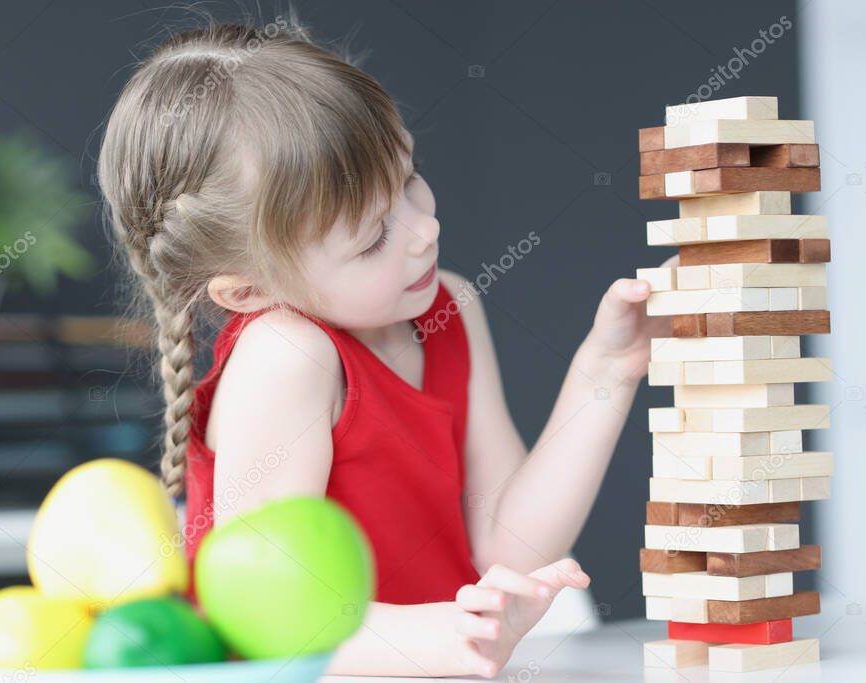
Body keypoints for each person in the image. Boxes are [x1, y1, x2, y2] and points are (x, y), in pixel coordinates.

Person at [97, 9, 672, 677]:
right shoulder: (288, 356)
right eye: (372, 237)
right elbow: (264, 617)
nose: (423, 228)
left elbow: (508, 551)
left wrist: (607, 370)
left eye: (409, 179)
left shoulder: (448, 308)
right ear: (249, 291)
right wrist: (449, 634)